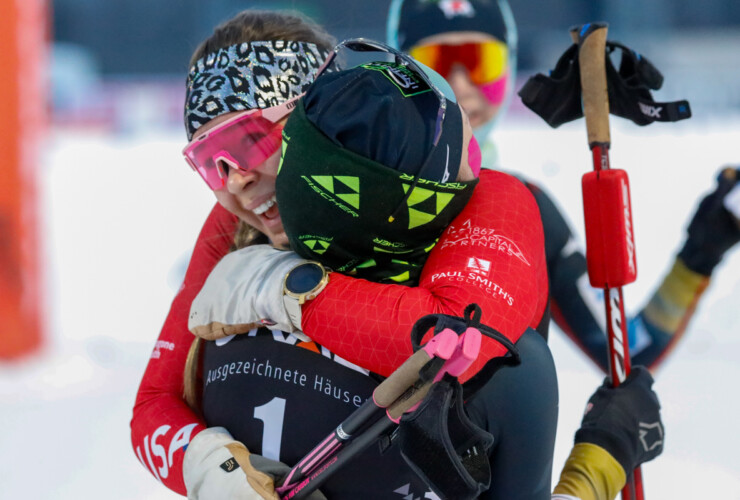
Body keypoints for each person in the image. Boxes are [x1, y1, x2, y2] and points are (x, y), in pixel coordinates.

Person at [126, 8, 670, 500]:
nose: (235, 182)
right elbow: (153, 403)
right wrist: (209, 469)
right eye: (208, 161)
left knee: (523, 373)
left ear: (326, 114)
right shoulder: (237, 223)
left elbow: (459, 343)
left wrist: (282, 290)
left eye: (250, 142)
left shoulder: (492, 199)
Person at [386, 0, 740, 372]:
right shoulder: (360, 182)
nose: (459, 84)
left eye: (480, 60)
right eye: (436, 63)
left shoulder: (526, 210)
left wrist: (699, 253)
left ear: (507, 66)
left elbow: (625, 352)